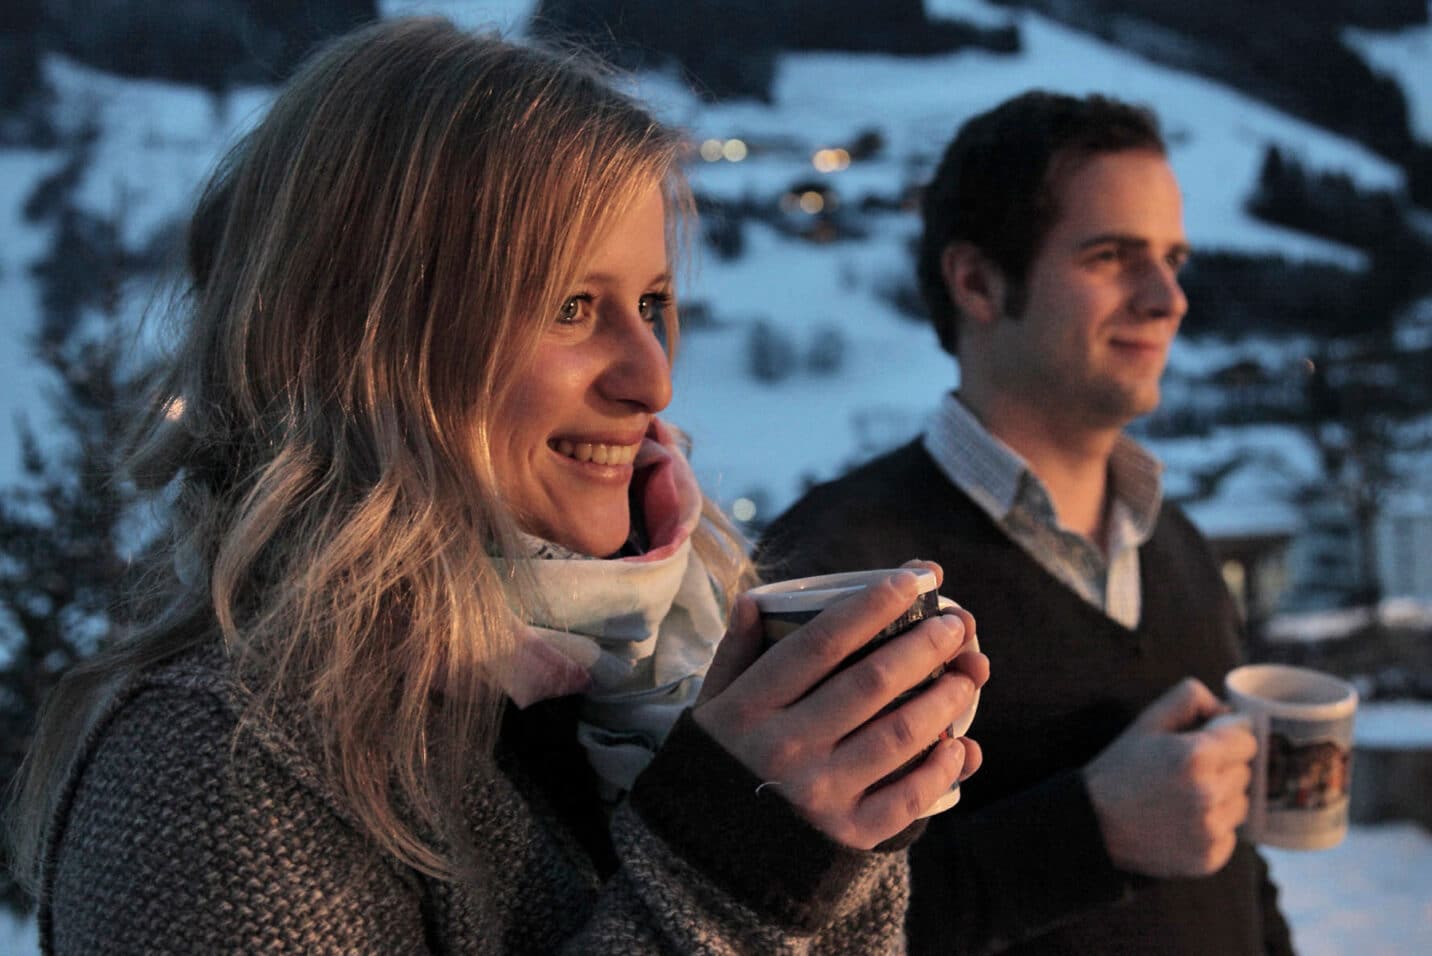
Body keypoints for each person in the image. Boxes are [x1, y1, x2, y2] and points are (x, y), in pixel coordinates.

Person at [6, 19, 989, 954]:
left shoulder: (682, 659)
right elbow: (724, 892)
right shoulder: (212, 764)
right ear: (368, 342)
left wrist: (844, 829)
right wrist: (733, 869)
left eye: (651, 302)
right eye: (570, 305)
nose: (650, 379)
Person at [759, 91, 1295, 955]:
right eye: (1113, 256)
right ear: (975, 280)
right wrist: (1088, 837)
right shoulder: (834, 574)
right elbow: (782, 928)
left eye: (1173, 258)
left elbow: (1235, 860)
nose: (1168, 299)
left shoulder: (1179, 548)